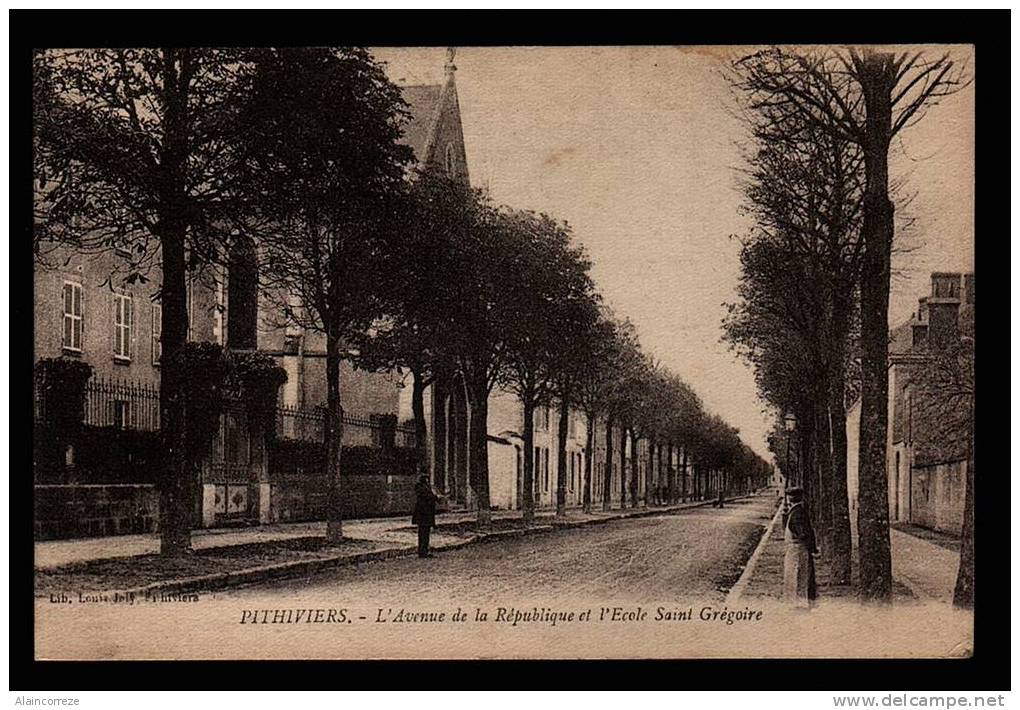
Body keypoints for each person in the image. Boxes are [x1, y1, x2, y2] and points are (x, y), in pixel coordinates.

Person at [783, 487, 818, 608]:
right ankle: (799, 602)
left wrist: (811, 549)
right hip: (796, 549)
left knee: (798, 575)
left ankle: (799, 603)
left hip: (797, 550)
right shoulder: (797, 511)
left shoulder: (797, 513)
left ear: (790, 499)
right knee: (798, 575)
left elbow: (803, 533)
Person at [412, 474, 439, 558]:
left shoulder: (426, 487)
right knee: (423, 533)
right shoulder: (420, 487)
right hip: (423, 513)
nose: (428, 480)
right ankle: (422, 551)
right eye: (426, 478)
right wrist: (435, 497)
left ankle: (424, 550)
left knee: (425, 532)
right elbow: (427, 497)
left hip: (426, 513)